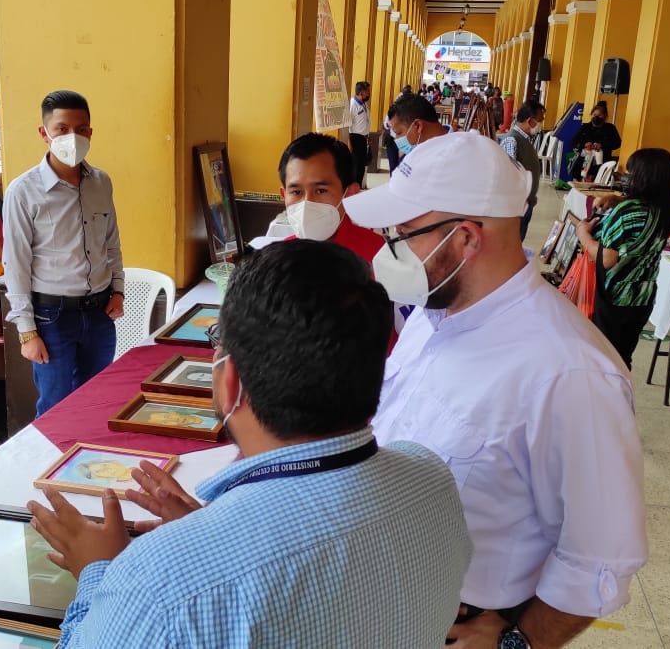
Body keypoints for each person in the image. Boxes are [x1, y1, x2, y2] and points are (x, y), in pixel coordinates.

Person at [28, 240, 471, 647]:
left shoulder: (155, 586)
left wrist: (98, 574)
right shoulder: (430, 477)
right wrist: (214, 530)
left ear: (229, 380)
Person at [343, 132, 647, 649]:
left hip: (458, 622)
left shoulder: (570, 374)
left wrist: (518, 641)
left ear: (465, 238)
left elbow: (598, 557)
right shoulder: (435, 313)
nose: (391, 249)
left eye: (405, 233)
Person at [2, 90, 125, 417]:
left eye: (81, 129)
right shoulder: (23, 191)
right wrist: (27, 331)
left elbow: (111, 242)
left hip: (99, 313)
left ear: (90, 132)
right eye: (62, 129)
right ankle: (53, 468)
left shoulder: (101, 182)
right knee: (56, 408)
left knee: (97, 401)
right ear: (45, 133)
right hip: (51, 318)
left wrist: (118, 290)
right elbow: (15, 264)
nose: (73, 137)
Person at [574, 148, 670, 368]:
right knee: (622, 358)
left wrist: (583, 235)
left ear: (642, 177)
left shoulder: (627, 211)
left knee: (602, 359)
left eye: (631, 173)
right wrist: (616, 199)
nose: (627, 177)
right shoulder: (667, 209)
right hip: (642, 296)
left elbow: (607, 259)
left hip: (614, 296)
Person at [277, 133, 383, 262]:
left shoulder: (379, 256)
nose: (307, 203)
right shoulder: (280, 259)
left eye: (321, 191)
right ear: (284, 195)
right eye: (296, 192)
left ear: (350, 194)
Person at [501, 103, 544, 241]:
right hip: (517, 205)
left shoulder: (525, 139)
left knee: (519, 239)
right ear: (530, 120)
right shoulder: (512, 139)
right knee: (513, 242)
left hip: (525, 202)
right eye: (540, 120)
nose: (540, 125)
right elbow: (509, 174)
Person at [348, 81, 371, 187]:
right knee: (356, 167)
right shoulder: (352, 105)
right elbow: (348, 127)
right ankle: (354, 189)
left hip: (363, 138)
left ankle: (359, 187)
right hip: (355, 138)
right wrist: (350, 145)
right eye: (368, 91)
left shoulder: (364, 103)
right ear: (361, 93)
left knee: (362, 166)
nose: (369, 93)